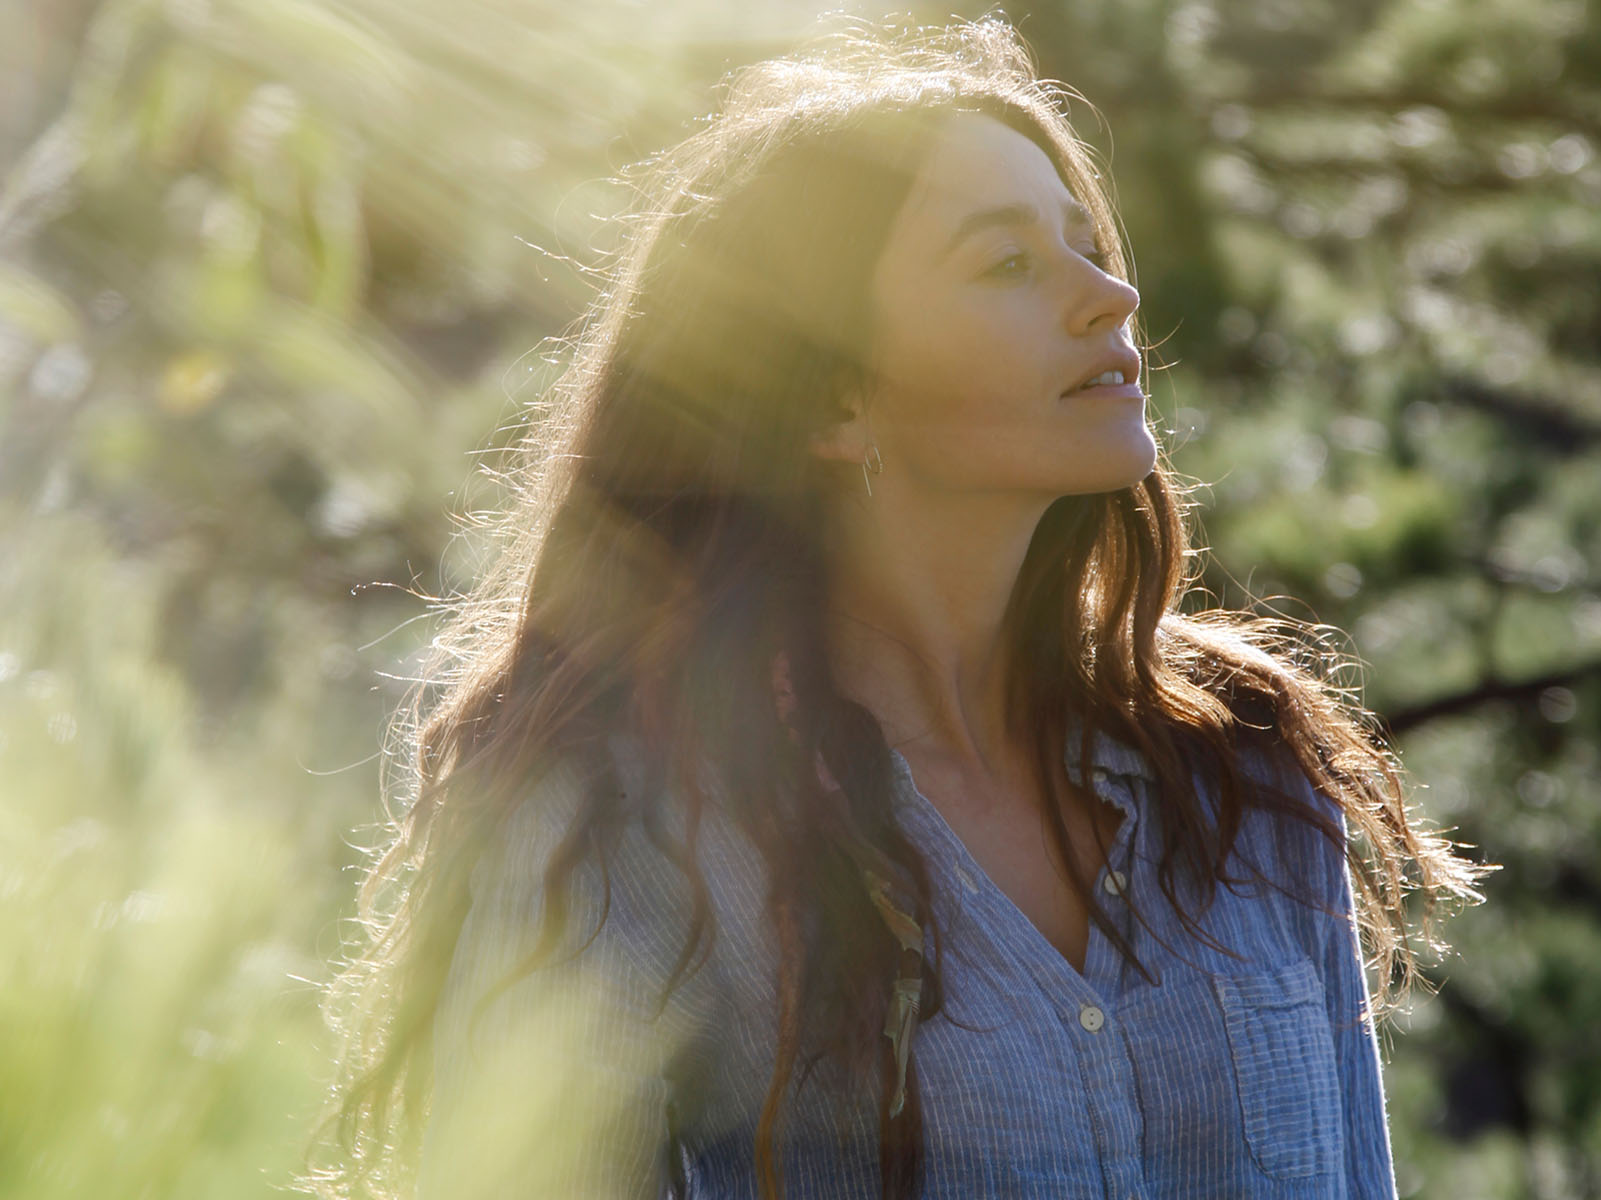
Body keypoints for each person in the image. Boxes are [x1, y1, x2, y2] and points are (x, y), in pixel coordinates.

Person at [304, 16, 1486, 1200]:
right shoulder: (617, 824)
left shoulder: (1247, 775)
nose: (1111, 295)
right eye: (1008, 264)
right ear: (835, 402)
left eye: (1087, 244)